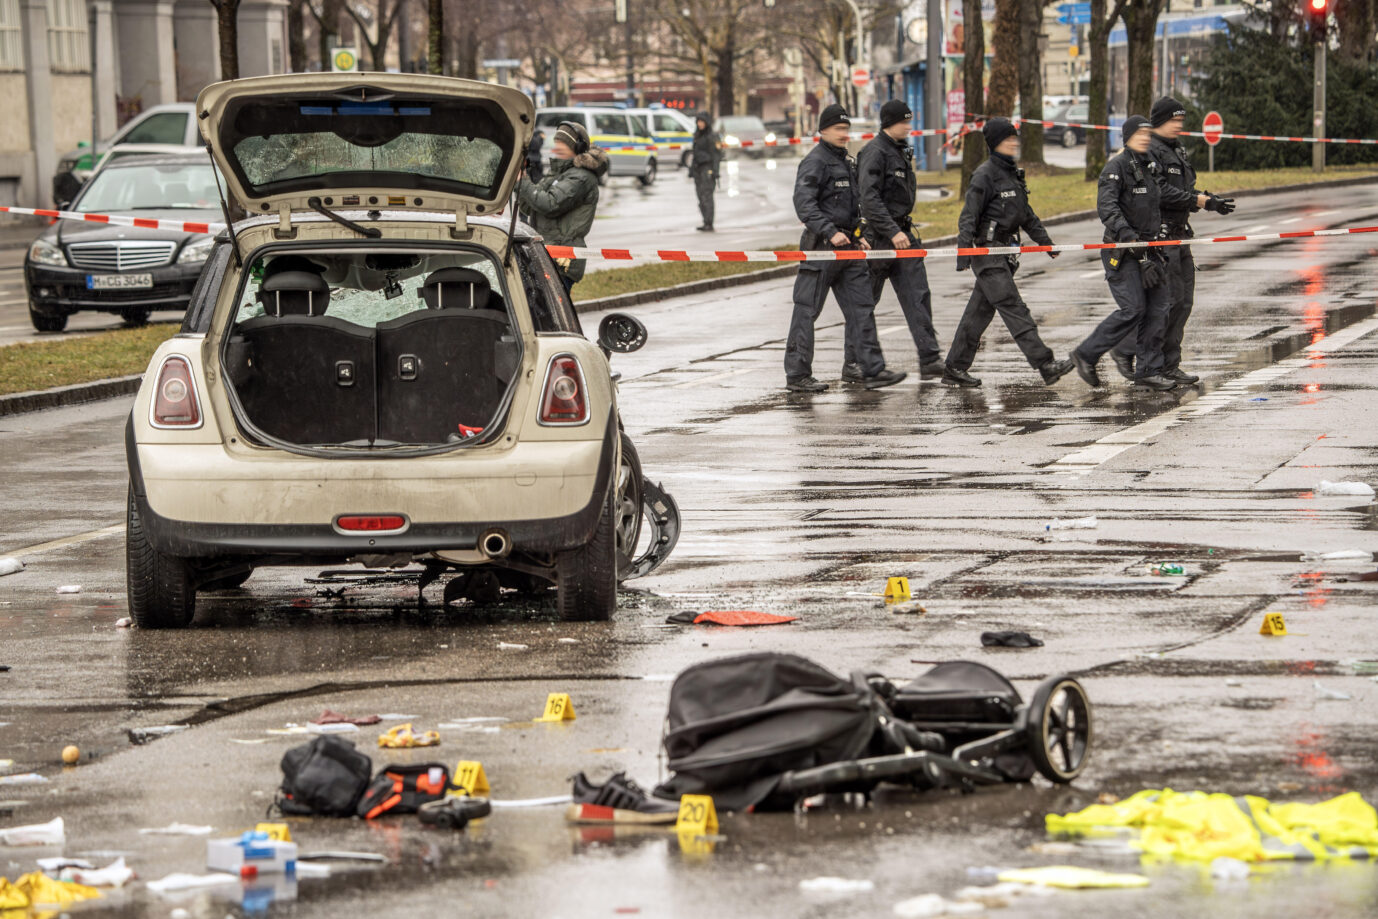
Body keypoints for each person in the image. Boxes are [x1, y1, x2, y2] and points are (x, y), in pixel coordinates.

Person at [1108, 97, 1235, 384]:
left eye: (1181, 120)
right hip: (1161, 237)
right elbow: (1160, 190)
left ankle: (1169, 364)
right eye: (1174, 119)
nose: (1180, 124)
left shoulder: (1176, 150)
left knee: (1183, 303)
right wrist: (1198, 201)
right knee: (1165, 303)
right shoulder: (1150, 150)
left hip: (1180, 233)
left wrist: (1208, 199)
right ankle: (1133, 352)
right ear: (1160, 121)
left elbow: (1183, 189)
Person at [784, 104, 906, 393]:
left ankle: (869, 369)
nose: (843, 134)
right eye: (838, 129)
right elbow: (804, 205)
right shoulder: (815, 162)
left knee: (862, 309)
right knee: (807, 311)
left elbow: (851, 206)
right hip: (822, 250)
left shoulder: (843, 161)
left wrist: (857, 233)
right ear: (823, 130)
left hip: (848, 250)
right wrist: (830, 232)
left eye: (846, 129)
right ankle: (798, 375)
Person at [942, 117, 1072, 388]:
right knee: (1014, 307)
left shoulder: (1012, 173)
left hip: (1005, 253)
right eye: (1008, 138)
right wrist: (963, 254)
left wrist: (1045, 242)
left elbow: (1026, 214)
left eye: (1015, 137)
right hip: (987, 254)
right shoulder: (984, 175)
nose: (1014, 141)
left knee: (978, 314)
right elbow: (968, 217)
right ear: (995, 144)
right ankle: (1045, 364)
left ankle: (955, 367)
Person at [1070, 115, 1175, 391]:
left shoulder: (1150, 168)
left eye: (1147, 133)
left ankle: (1148, 371)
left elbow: (1156, 206)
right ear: (1127, 137)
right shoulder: (1115, 168)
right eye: (1139, 134)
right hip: (1123, 250)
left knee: (1159, 309)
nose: (1145, 137)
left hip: (1150, 250)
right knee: (1134, 309)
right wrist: (1126, 233)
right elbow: (1107, 207)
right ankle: (1085, 354)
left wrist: (1160, 232)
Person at [846, 99, 945, 383]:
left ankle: (929, 358)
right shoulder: (875, 152)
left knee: (918, 295)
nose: (908, 126)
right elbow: (869, 199)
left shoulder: (899, 150)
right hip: (880, 238)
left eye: (909, 121)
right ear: (890, 123)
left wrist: (900, 231)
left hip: (903, 235)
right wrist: (892, 231)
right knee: (866, 303)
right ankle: (852, 363)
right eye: (904, 121)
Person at [516, 121, 608, 298]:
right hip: (546, 255)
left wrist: (523, 183)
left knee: (553, 316)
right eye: (556, 142)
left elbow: (550, 205)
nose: (556, 147)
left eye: (562, 143)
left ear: (577, 147)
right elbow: (528, 207)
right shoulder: (557, 172)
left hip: (562, 259)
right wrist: (522, 179)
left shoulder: (581, 178)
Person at [689, 112, 722, 232]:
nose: (700, 124)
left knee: (707, 197)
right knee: (700, 197)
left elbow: (716, 155)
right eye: (698, 121)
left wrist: (715, 171)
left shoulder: (712, 136)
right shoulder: (697, 136)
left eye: (702, 121)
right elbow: (695, 153)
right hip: (698, 169)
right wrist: (692, 169)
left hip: (707, 169)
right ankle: (705, 221)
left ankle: (709, 222)